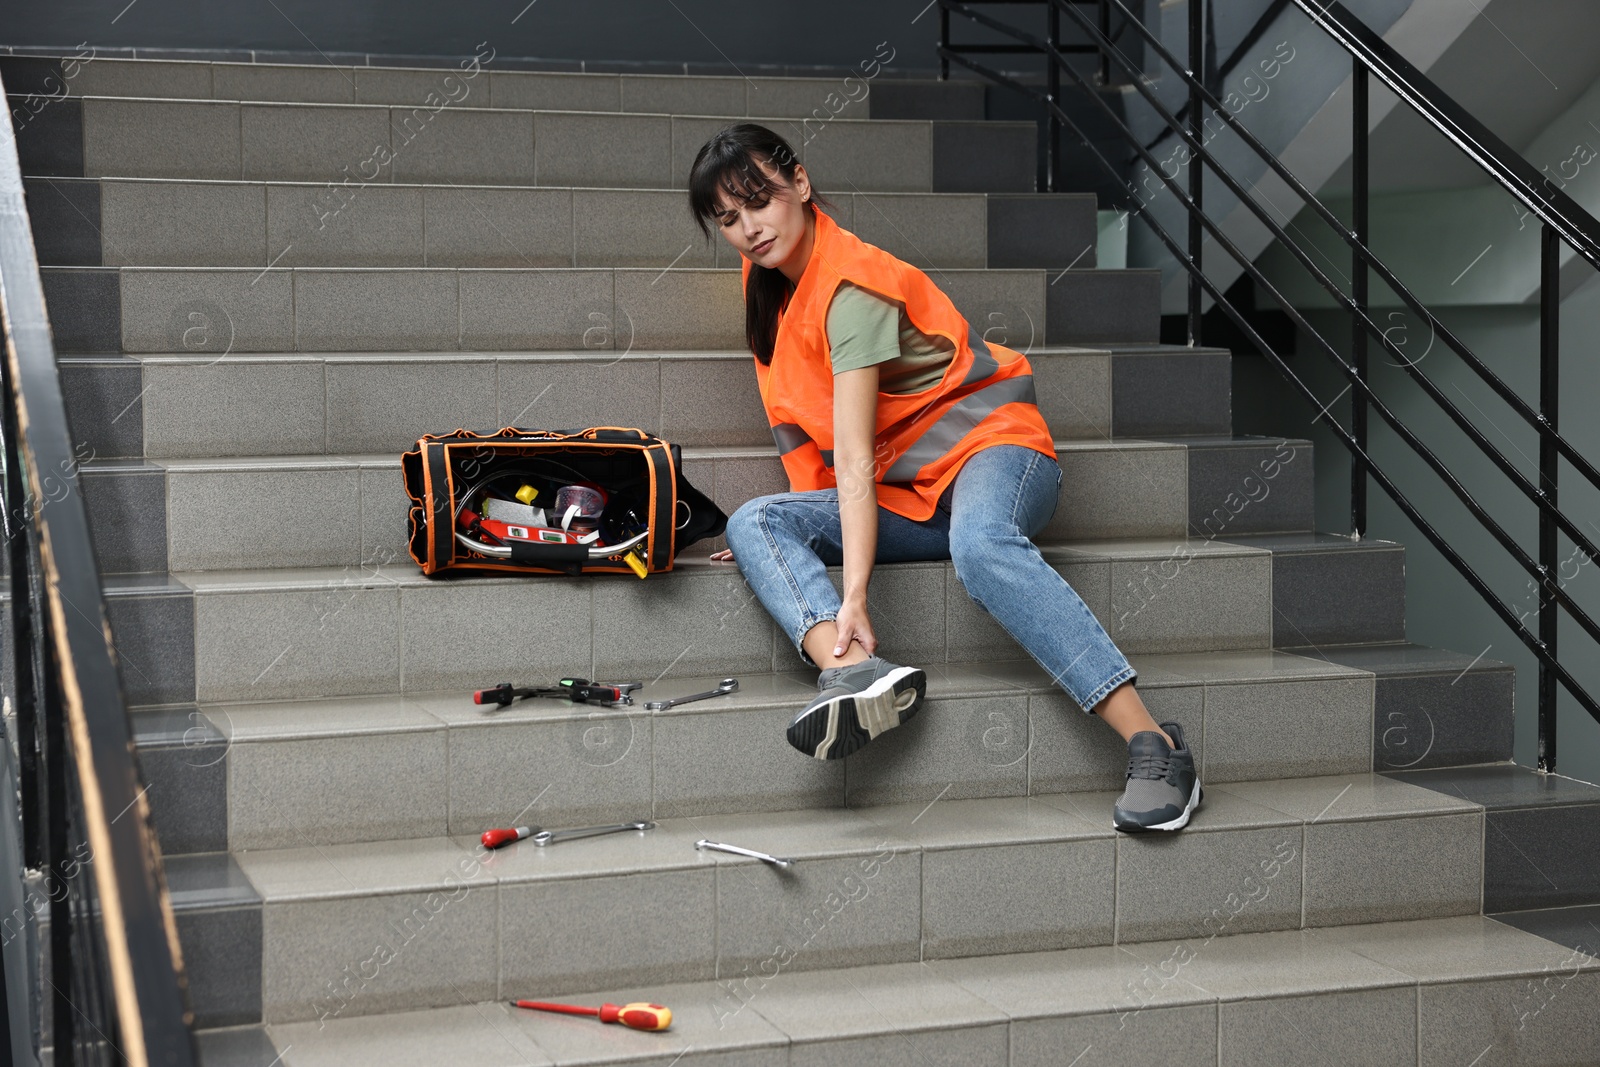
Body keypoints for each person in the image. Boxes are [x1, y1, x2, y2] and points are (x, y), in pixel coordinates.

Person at [687, 123, 1202, 832]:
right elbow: (797, 421)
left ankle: (1157, 743)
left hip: (995, 450)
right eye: (729, 218)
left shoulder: (851, 288)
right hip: (912, 490)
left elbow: (857, 456)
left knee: (983, 546)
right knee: (754, 521)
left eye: (759, 201)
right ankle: (852, 669)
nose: (748, 228)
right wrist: (793, 530)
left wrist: (857, 589)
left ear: (800, 184)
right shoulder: (768, 280)